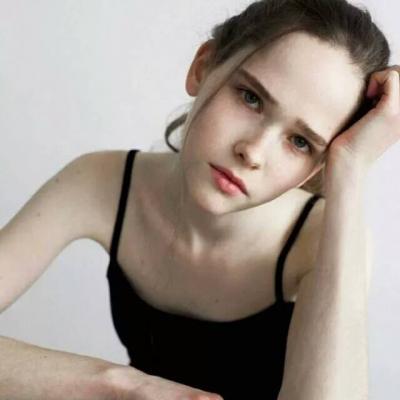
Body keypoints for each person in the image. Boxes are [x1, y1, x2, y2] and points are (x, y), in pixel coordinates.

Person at [0, 0, 398, 399]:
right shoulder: (100, 182)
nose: (253, 152)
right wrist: (117, 385)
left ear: (317, 167)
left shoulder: (322, 240)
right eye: (251, 98)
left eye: (300, 142)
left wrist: (350, 167)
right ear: (202, 67)